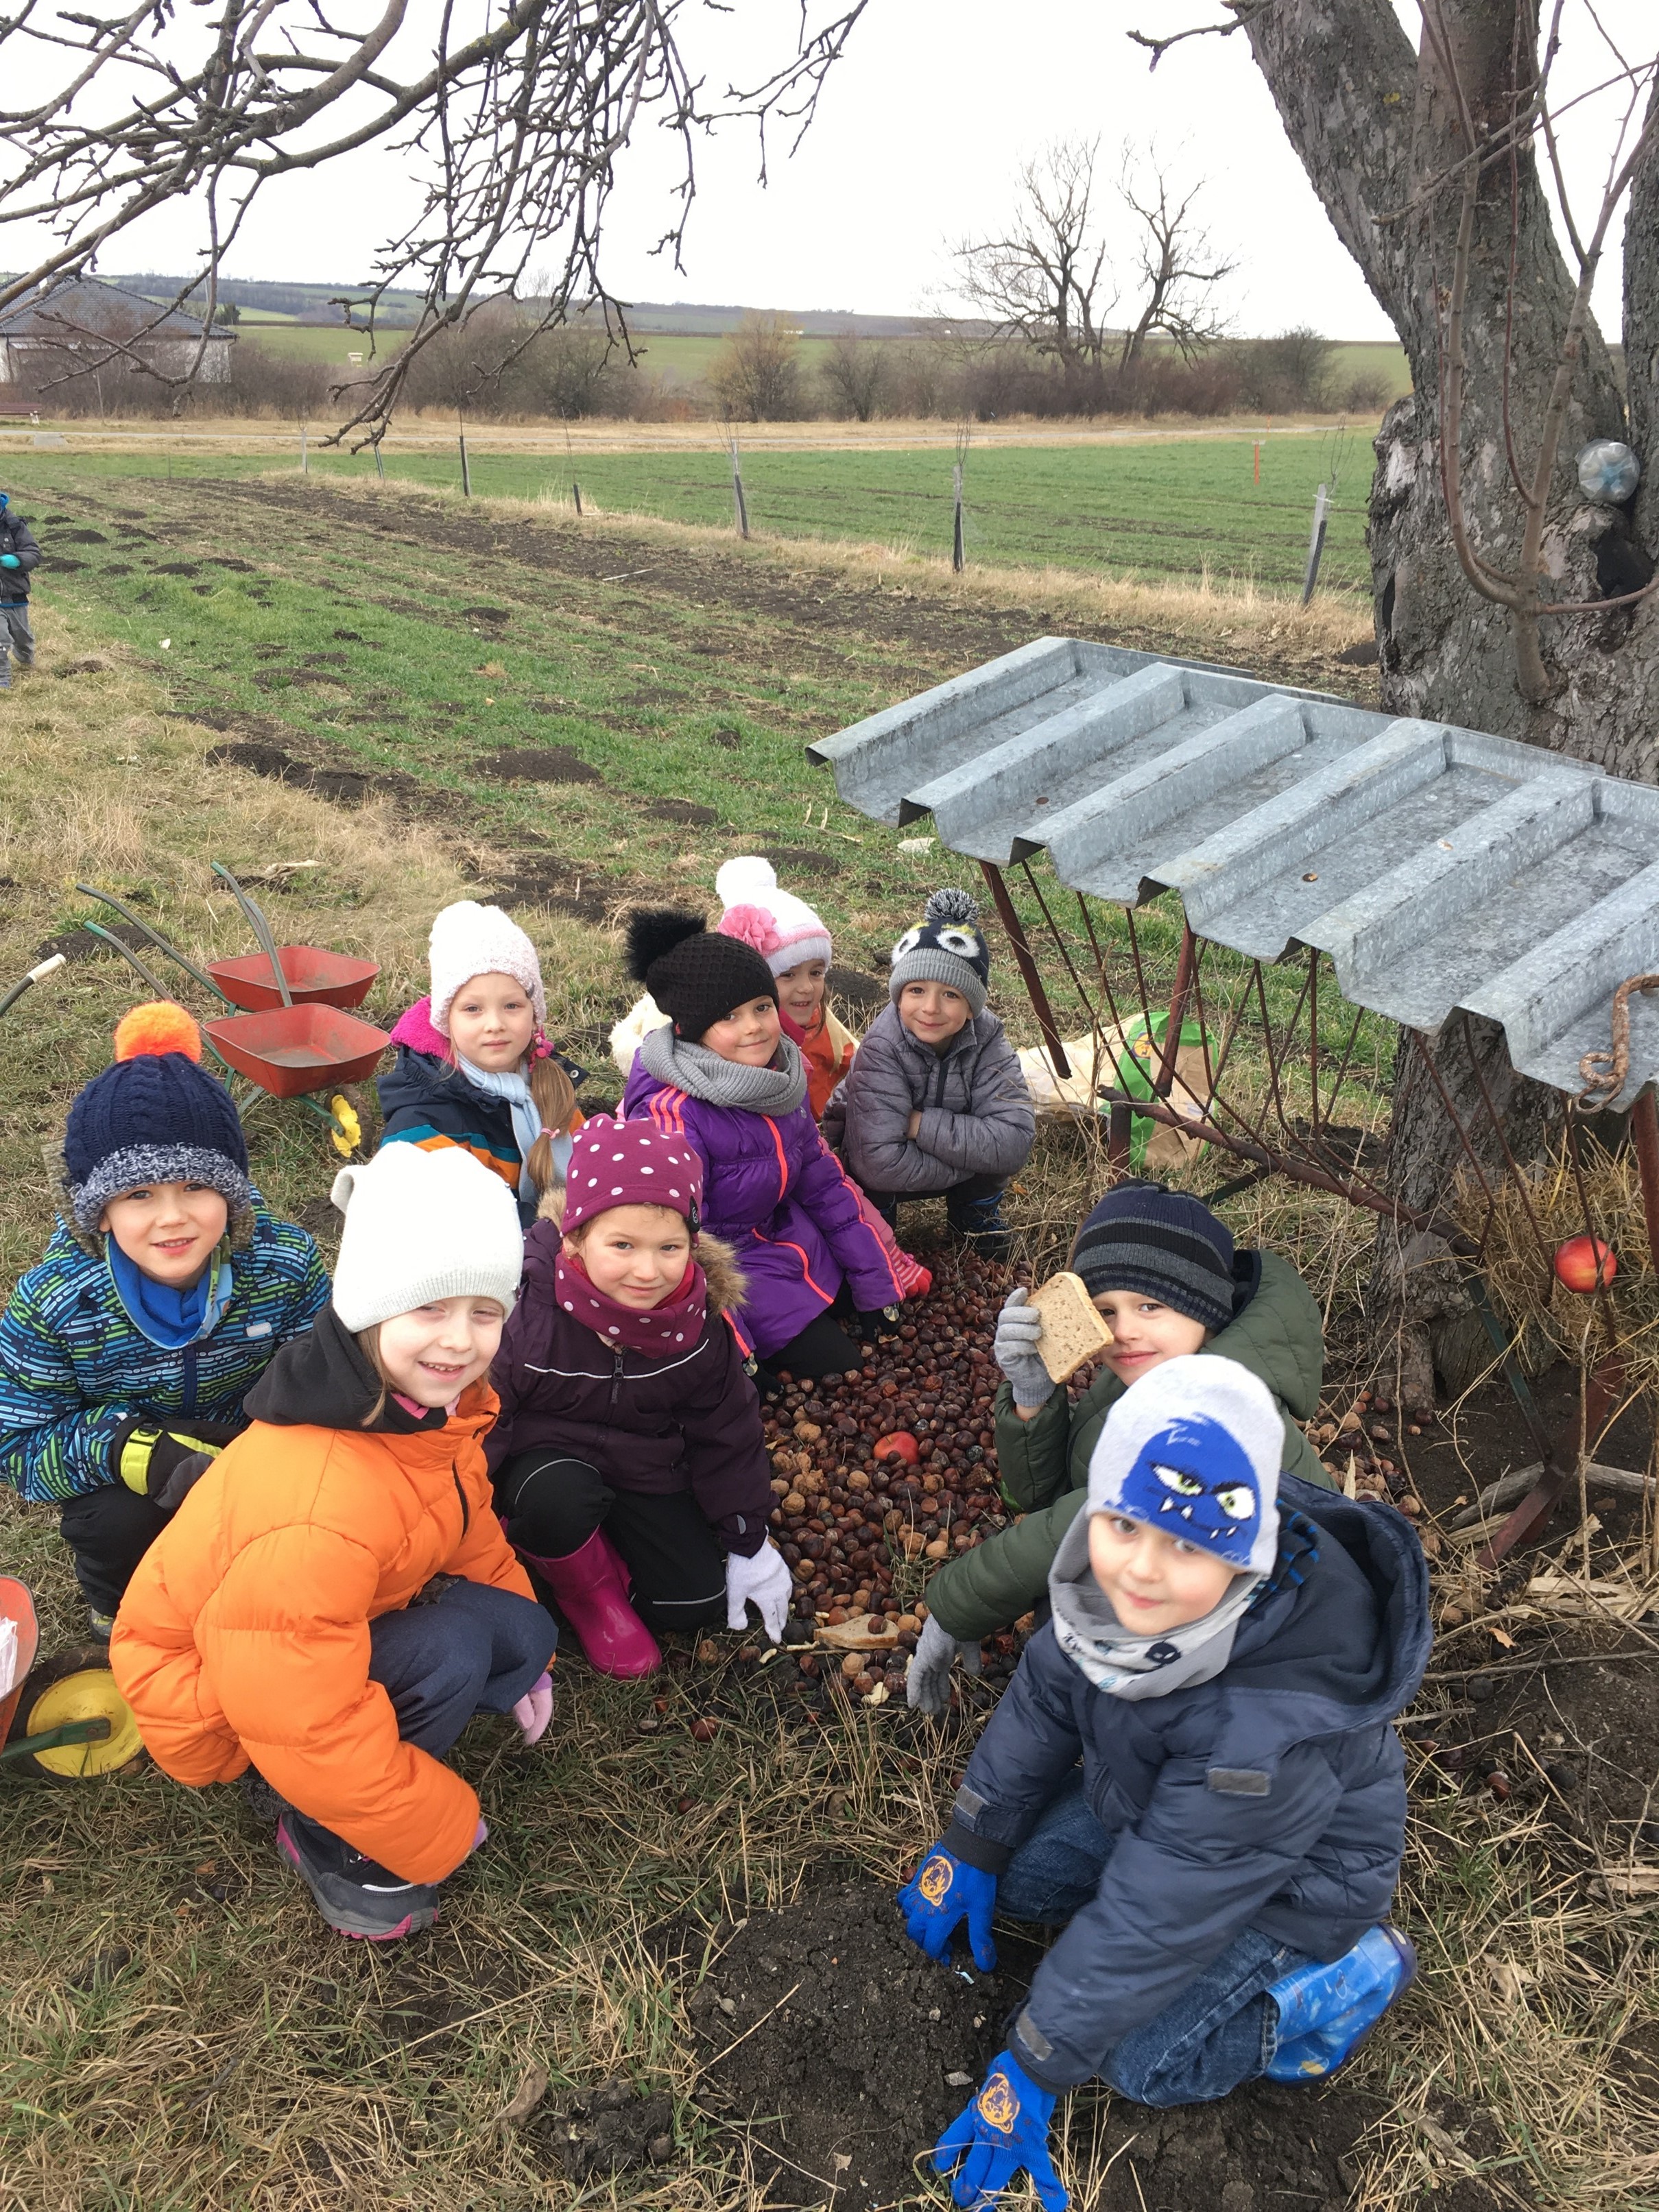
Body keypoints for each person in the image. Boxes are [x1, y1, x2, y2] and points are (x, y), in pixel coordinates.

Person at [898, 1358, 1429, 2207]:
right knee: (1018, 1880)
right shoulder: (1107, 1591)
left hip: (1286, 1890)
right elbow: (1044, 1696)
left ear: (1245, 1555)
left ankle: (1343, 1978)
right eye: (1123, 1524)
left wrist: (1035, 2062)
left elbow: (1160, 1910)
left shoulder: (1260, 1732)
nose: (1140, 1569)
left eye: (1187, 1544)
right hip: (1157, 1808)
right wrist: (974, 1836)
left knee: (1139, 2060)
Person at [110, 1144, 558, 1943]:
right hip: (221, 1701)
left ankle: (364, 1775)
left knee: (518, 1629)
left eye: (484, 1311)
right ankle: (315, 1822)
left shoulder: (427, 1411)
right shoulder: (318, 1506)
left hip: (287, 1650)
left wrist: (528, 1657)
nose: (460, 1341)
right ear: (370, 1308)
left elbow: (468, 1526)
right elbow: (301, 1711)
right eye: (429, 1308)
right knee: (452, 1649)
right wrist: (431, 1820)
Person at [909, 1181, 1329, 1711]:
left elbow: (1076, 1518)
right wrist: (1033, 1395)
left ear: (1207, 1308)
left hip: (1243, 1661)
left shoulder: (1211, 1415)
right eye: (1104, 1311)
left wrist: (956, 1608)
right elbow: (1048, 1495)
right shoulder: (1148, 1374)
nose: (1123, 1331)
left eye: (1149, 1305)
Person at [0, 1002, 327, 1637]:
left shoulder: (285, 1265)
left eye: (196, 1188)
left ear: (231, 1194)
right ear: (99, 1213)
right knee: (113, 1523)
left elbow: (321, 1377)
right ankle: (123, 1613)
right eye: (140, 1195)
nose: (172, 1217)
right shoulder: (54, 1304)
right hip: (129, 1468)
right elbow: (18, 1445)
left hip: (251, 1449)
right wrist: (126, 1448)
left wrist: (269, 1450)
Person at [488, 1116, 792, 1676]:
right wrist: (465, 1524)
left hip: (643, 1466)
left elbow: (727, 1431)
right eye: (622, 1245)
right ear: (575, 1238)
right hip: (547, 1463)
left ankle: (602, 1550)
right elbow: (485, 1423)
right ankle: (585, 1591)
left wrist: (747, 1538)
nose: (647, 1271)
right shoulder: (527, 1312)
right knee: (557, 1500)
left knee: (691, 1605)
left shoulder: (698, 1326)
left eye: (669, 1247)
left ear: (691, 1245)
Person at [621, 908, 905, 1384]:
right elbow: (677, 1244)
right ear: (691, 1029)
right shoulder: (674, 1116)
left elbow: (824, 1186)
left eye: (761, 1007)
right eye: (728, 1016)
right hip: (729, 1266)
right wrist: (737, 1353)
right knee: (841, 1367)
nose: (753, 1026)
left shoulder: (779, 1078)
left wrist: (877, 1282)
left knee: (864, 1308)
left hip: (783, 1236)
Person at [824, 889, 1034, 1260]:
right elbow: (880, 1164)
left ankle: (973, 1218)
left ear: (972, 1006)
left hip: (922, 1149)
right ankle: (877, 1230)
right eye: (917, 990)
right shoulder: (882, 1045)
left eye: (951, 994)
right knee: (864, 1176)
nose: (931, 1008)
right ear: (899, 996)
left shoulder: (989, 1040)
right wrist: (971, 1156)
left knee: (992, 1163)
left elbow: (1014, 1142)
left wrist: (918, 1125)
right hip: (876, 1170)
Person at [378, 898, 582, 1227]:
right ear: (445, 1020)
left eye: (512, 1006)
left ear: (535, 1015)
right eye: (473, 1009)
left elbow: (594, 1167)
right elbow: (462, 1225)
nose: (495, 1024)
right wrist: (564, 1230)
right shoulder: (423, 1121)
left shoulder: (550, 1086)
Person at [611, 856, 857, 1120]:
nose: (806, 987)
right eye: (787, 974)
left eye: (816, 972)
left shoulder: (808, 1028)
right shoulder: (683, 1101)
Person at [0, 490, 41, 688]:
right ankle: (3, 679)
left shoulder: (14, 524)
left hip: (15, 594)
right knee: (1, 640)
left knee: (23, 639)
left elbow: (33, 553)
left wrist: (17, 560)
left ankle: (26, 659)